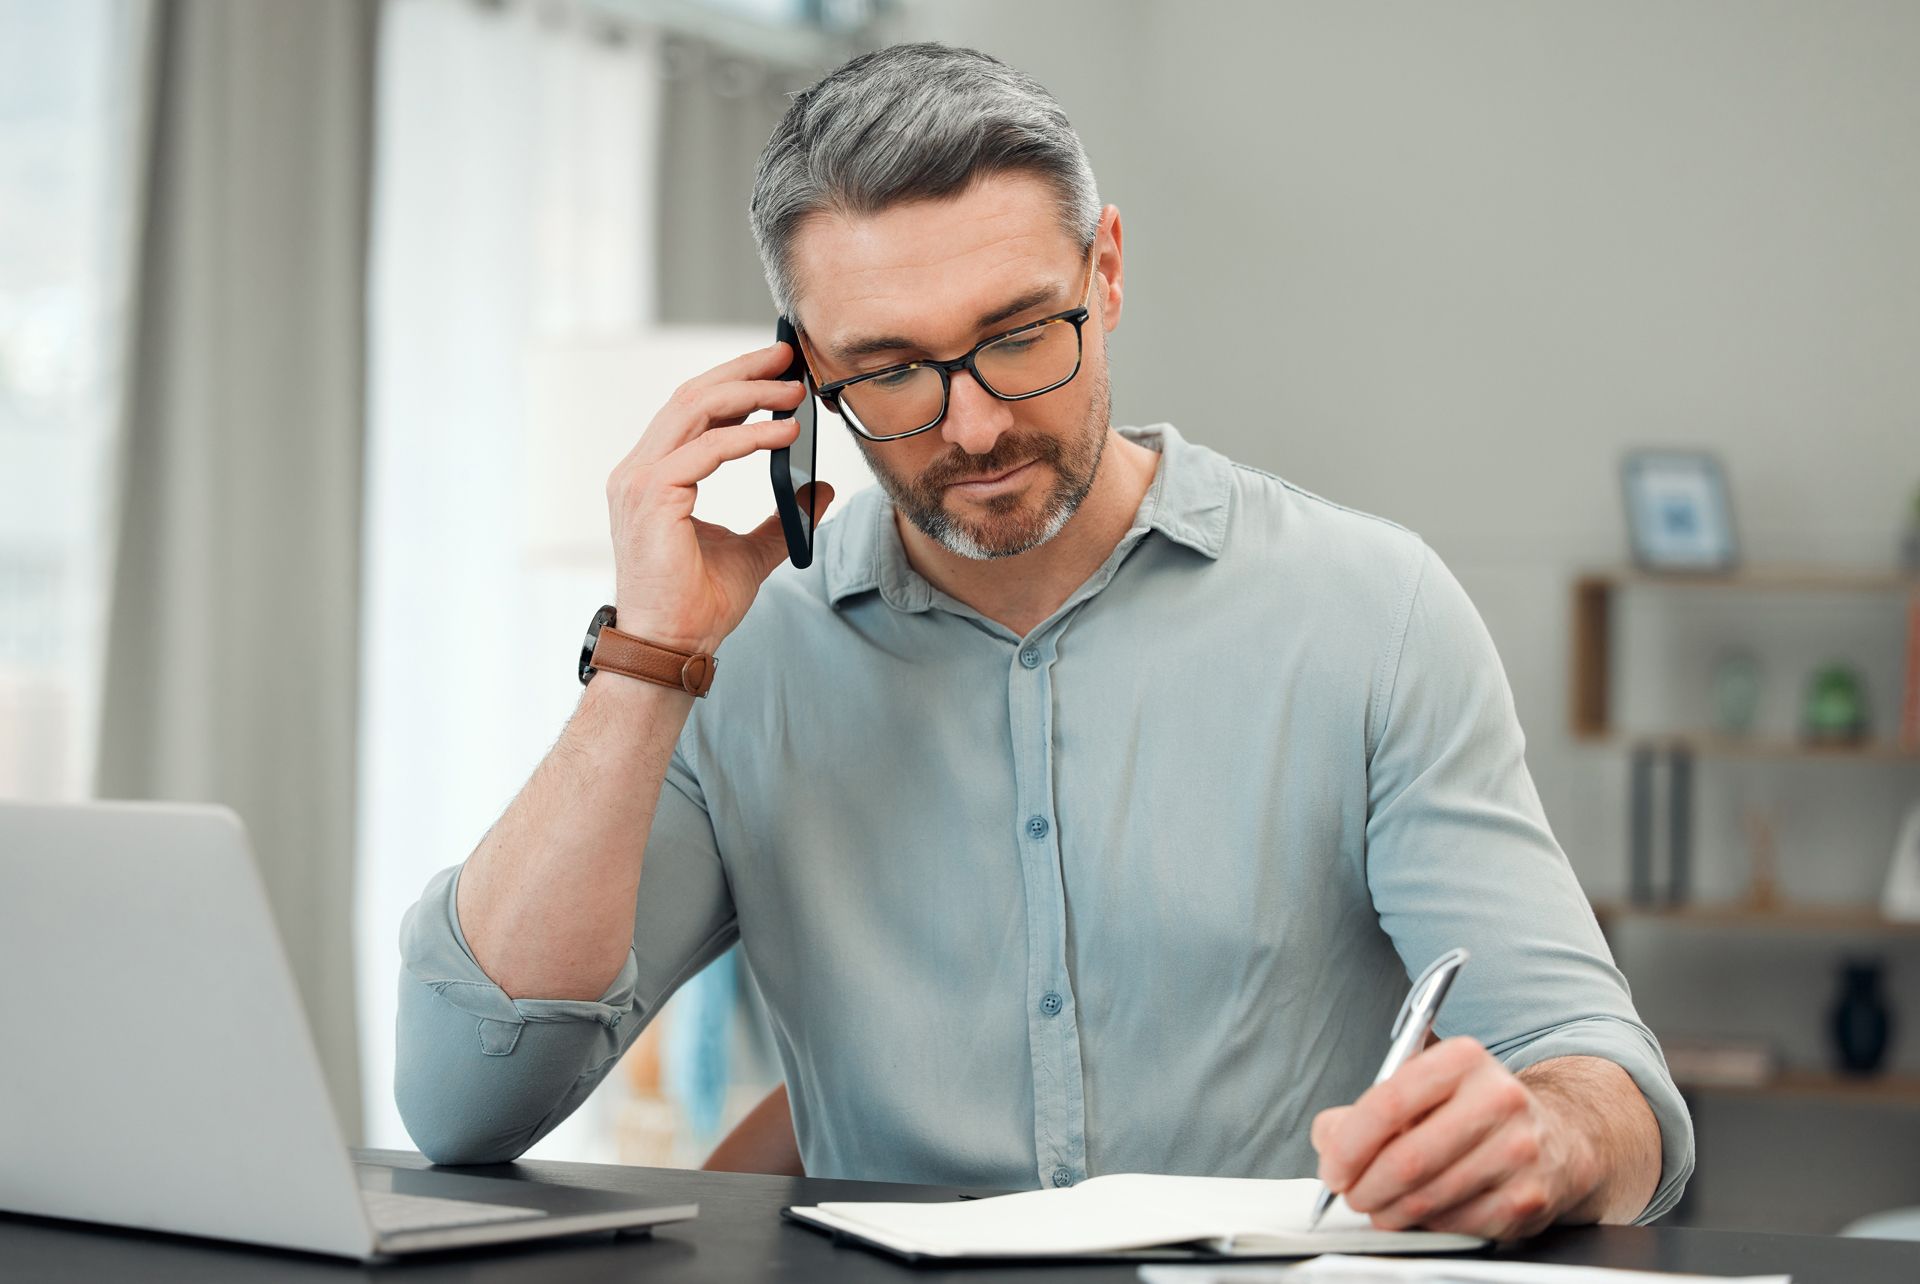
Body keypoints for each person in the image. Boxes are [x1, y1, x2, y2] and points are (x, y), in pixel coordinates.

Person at [394, 42, 1692, 1241]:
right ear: (798, 375)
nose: (968, 429)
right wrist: (644, 662)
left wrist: (1554, 1136)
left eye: (1019, 336)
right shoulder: (742, 662)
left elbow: (1602, 1075)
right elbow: (462, 1106)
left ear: (1106, 271)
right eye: (888, 369)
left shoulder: (1374, 610)